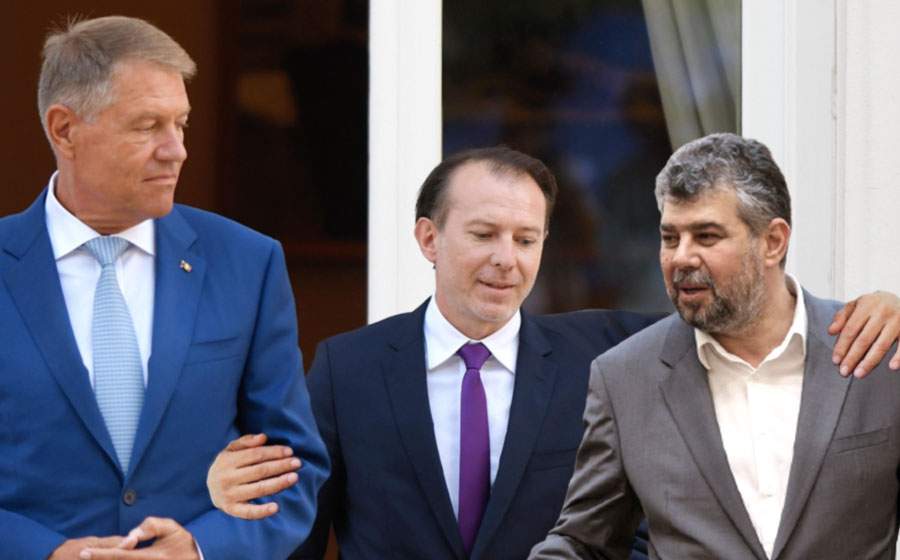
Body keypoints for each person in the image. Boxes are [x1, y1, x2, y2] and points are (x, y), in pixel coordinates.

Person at [207, 146, 899, 560]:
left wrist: (887, 309)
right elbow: (294, 532)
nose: (506, 260)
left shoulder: (611, 353)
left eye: (526, 239)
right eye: (484, 234)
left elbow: (742, 312)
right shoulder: (346, 367)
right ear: (428, 239)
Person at [0, 16, 328, 560]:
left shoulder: (247, 263)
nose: (176, 150)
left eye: (181, 124)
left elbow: (292, 469)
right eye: (148, 125)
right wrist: (47, 553)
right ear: (64, 130)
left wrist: (199, 548)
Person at [529, 133, 900, 559]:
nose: (681, 258)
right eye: (671, 238)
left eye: (706, 236)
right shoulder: (626, 378)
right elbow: (583, 543)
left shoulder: (876, 351)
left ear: (773, 242)